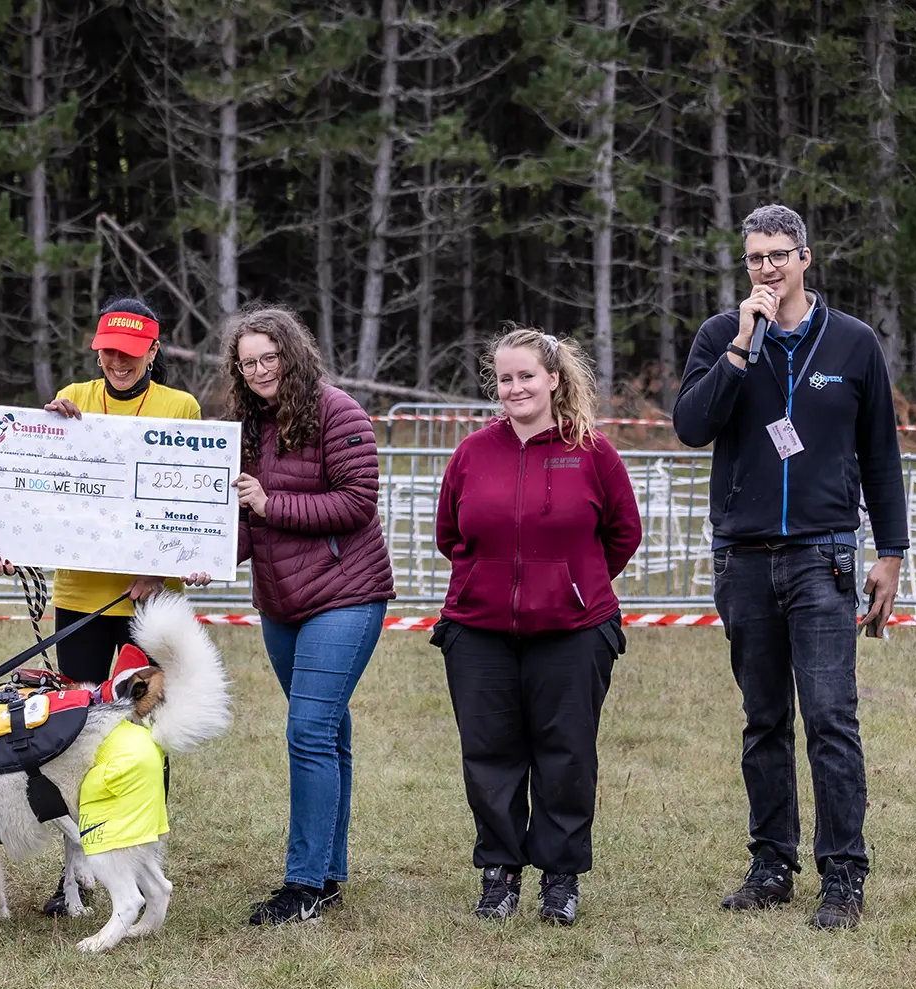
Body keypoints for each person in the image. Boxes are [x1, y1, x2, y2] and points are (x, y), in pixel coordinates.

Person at [673, 203, 908, 931]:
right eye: (755, 258)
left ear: (807, 257)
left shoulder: (854, 344)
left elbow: (880, 456)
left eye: (780, 254)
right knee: (763, 718)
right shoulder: (721, 336)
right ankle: (772, 863)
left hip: (825, 555)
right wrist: (743, 345)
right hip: (743, 556)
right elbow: (690, 426)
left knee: (831, 718)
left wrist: (890, 554)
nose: (768, 268)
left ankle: (843, 874)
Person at [432, 329, 642, 925]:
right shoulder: (472, 452)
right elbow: (450, 534)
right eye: (504, 378)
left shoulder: (592, 451)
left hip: (574, 630)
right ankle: (499, 873)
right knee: (490, 754)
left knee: (565, 755)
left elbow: (623, 532)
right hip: (479, 630)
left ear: (553, 379)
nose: (515, 388)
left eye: (526, 376)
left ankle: (560, 878)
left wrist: (575, 582)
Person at [221, 305, 394, 926]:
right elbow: (242, 522)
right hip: (281, 602)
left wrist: (270, 503)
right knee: (329, 734)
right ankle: (329, 872)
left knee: (308, 731)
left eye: (270, 357)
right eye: (249, 363)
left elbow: (356, 503)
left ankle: (302, 885)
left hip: (345, 595)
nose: (261, 370)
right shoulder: (246, 427)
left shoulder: (337, 411)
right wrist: (201, 555)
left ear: (293, 355)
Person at [37, 296, 210, 915]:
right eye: (109, 351)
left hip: (149, 604)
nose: (118, 363)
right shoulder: (74, 396)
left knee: (142, 736)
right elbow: (48, 486)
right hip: (81, 596)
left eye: (131, 354)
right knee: (75, 734)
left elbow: (193, 499)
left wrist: (157, 570)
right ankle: (75, 874)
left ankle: (141, 866)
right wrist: (46, 430)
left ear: (153, 353)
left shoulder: (179, 407)